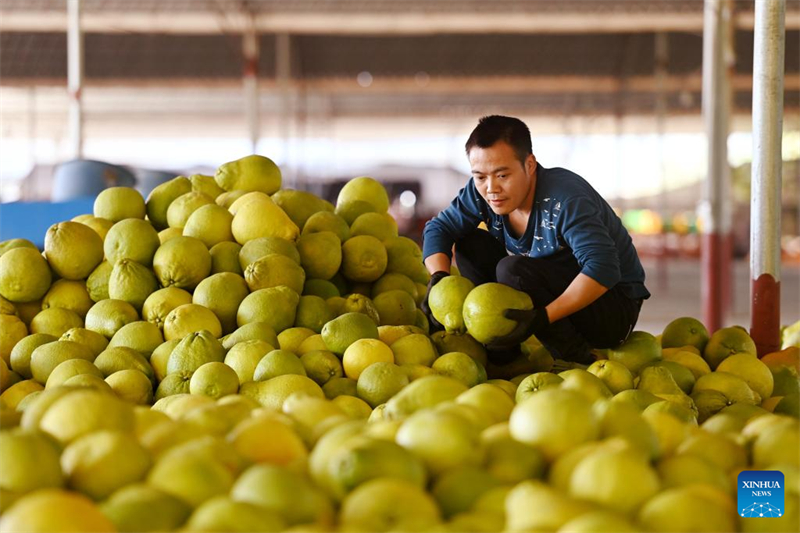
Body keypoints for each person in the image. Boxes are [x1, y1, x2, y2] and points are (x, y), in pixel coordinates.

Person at [421, 115, 650, 366]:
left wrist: (543, 317)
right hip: (556, 286)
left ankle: (574, 359)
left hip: (612, 309)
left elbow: (603, 268)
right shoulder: (481, 193)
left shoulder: (566, 198)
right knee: (470, 243)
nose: (491, 188)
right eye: (480, 176)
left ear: (529, 164)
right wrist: (439, 280)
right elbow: (439, 228)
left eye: (502, 175)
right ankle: (501, 351)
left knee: (513, 271)